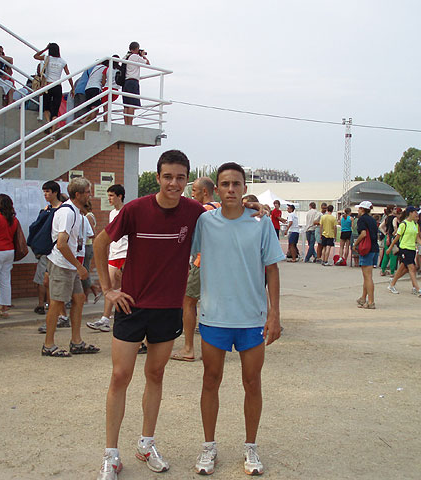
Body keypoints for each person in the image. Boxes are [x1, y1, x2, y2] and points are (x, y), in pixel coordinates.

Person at [92, 150, 266, 480]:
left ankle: (146, 444)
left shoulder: (194, 213)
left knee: (155, 375)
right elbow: (101, 244)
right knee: (120, 376)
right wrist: (108, 289)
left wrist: (251, 206)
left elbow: (226, 212)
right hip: (132, 305)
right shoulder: (135, 209)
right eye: (168, 176)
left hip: (168, 308)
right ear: (157, 178)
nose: (174, 183)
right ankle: (111, 455)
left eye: (180, 177)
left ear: (188, 181)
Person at [191, 162, 284, 476]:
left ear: (245, 188)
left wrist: (274, 314)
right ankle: (208, 447)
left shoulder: (260, 223)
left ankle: (251, 448)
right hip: (214, 318)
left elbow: (272, 269)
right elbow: (188, 255)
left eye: (236, 184)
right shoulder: (204, 222)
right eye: (225, 184)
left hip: (251, 319)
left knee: (252, 382)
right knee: (210, 381)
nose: (231, 189)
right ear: (216, 189)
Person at [42, 177, 99, 358]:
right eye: (88, 192)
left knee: (79, 298)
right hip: (62, 263)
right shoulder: (67, 213)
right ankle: (48, 344)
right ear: (78, 194)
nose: (90, 195)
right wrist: (78, 266)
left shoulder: (75, 211)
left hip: (69, 264)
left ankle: (76, 341)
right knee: (57, 302)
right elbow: (61, 244)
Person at [170, 176, 220, 363]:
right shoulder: (221, 208)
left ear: (204, 192)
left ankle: (188, 347)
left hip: (202, 262)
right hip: (217, 264)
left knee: (188, 302)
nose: (192, 197)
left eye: (194, 192)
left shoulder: (203, 211)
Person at [87, 184, 128, 334]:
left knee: (126, 289)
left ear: (120, 196)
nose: (109, 198)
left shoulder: (127, 212)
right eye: (108, 195)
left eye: (111, 195)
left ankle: (125, 318)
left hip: (124, 256)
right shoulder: (112, 214)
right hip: (113, 255)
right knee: (109, 288)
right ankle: (105, 319)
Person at [33, 181, 62, 316]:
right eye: (44, 191)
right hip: (45, 250)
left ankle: (53, 308)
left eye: (48, 191)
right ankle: (42, 304)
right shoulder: (46, 210)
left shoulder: (62, 210)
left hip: (56, 251)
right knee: (43, 280)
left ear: (55, 192)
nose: (45, 194)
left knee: (50, 281)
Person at [33, 43, 74, 135]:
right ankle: (52, 131)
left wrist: (45, 48)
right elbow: (69, 75)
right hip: (57, 86)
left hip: (48, 86)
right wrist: (72, 87)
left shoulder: (47, 58)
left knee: (46, 107)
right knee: (55, 110)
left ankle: (48, 122)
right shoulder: (63, 61)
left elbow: (35, 56)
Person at [386, 206, 421, 297]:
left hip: (412, 249)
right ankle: (417, 288)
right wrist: (390, 248)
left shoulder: (415, 225)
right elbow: (396, 238)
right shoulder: (403, 224)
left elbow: (417, 238)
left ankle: (392, 283)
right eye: (415, 212)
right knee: (412, 268)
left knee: (404, 268)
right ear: (410, 213)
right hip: (404, 249)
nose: (416, 214)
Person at [352, 201, 379, 309]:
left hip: (366, 249)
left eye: (359, 209)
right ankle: (363, 298)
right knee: (367, 276)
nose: (358, 211)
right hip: (374, 248)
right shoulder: (372, 219)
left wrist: (356, 244)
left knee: (368, 277)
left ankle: (371, 301)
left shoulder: (362, 220)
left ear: (362, 209)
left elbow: (363, 234)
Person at [121, 42, 149, 126]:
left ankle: (126, 123)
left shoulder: (126, 56)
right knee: (131, 104)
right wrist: (143, 55)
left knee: (126, 105)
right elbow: (147, 63)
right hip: (133, 81)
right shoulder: (134, 56)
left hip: (125, 82)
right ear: (136, 49)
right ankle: (130, 124)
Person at [81, 201, 102, 303]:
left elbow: (92, 233)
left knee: (83, 272)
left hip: (86, 246)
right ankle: (87, 295)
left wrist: (81, 235)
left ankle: (94, 289)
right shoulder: (88, 215)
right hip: (86, 246)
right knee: (84, 271)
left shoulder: (88, 216)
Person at [379, 206, 399, 276]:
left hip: (386, 237)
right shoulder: (395, 218)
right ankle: (392, 271)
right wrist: (395, 232)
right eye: (395, 209)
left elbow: (380, 226)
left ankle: (383, 270)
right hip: (392, 237)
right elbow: (394, 226)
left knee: (386, 254)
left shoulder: (386, 218)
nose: (396, 210)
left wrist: (385, 233)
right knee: (393, 254)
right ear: (391, 210)